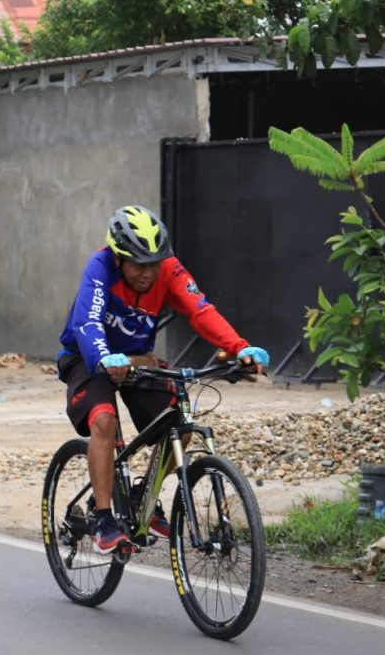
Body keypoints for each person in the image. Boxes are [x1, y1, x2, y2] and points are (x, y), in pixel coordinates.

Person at [57, 205, 270, 554]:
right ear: (119, 257)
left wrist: (240, 348)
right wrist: (102, 356)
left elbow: (200, 310)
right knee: (105, 420)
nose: (148, 273)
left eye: (154, 263)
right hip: (87, 357)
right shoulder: (100, 267)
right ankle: (103, 518)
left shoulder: (168, 270)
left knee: (180, 428)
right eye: (139, 264)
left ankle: (144, 496)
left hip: (138, 362)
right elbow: (88, 321)